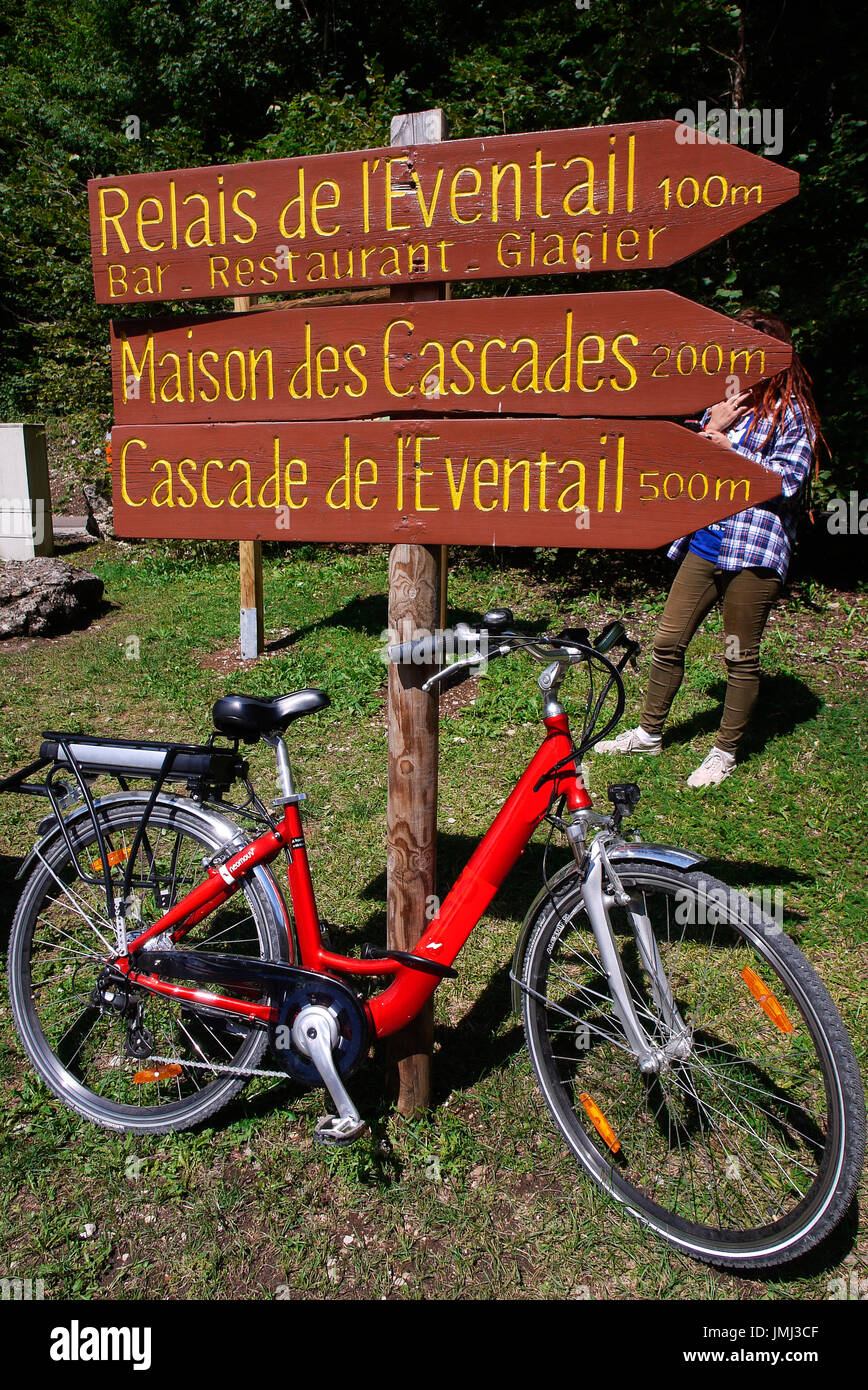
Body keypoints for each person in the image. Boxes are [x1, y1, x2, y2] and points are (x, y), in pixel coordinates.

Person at [596, 309, 824, 787]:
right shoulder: (725, 404)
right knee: (667, 639)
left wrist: (726, 448)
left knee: (738, 654)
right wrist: (712, 424)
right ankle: (649, 732)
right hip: (706, 539)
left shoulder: (793, 414)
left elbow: (787, 480)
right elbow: (693, 465)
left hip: (754, 548)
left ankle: (723, 752)